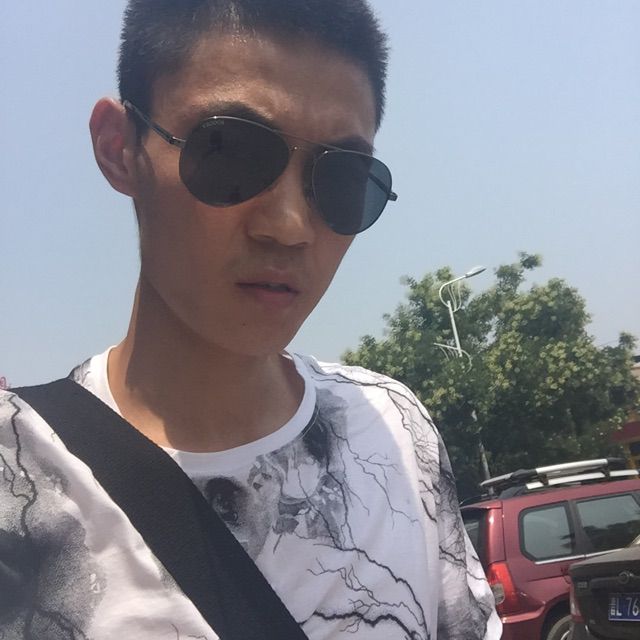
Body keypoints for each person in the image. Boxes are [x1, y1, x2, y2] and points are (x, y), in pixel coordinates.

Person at [0, 1, 501, 638]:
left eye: (342, 178)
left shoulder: (397, 434)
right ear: (119, 147)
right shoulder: (18, 477)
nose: (289, 226)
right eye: (229, 153)